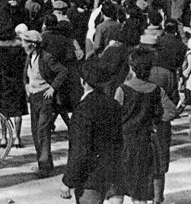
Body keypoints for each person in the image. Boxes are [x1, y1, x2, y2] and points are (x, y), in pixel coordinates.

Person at [114, 48, 179, 204]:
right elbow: (171, 112)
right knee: (141, 193)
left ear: (132, 68)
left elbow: (113, 116)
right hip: (145, 144)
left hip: (125, 142)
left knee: (118, 190)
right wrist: (156, 119)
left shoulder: (123, 89)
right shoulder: (157, 90)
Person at [61, 59, 123, 204]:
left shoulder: (83, 109)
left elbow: (81, 150)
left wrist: (68, 181)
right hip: (114, 175)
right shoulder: (114, 104)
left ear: (83, 82)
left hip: (91, 179)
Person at [21, 29, 69, 177]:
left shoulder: (47, 58)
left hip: (45, 99)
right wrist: (27, 85)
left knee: (42, 131)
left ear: (33, 44)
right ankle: (45, 163)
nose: (23, 45)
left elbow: (63, 71)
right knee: (36, 131)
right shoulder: (30, 57)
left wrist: (53, 88)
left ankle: (44, 167)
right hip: (34, 97)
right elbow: (26, 75)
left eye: (25, 42)